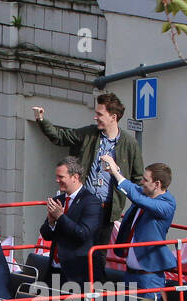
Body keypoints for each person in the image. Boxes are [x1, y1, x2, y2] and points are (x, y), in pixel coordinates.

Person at [31, 95, 144, 238]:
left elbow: (137, 179)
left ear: (113, 117)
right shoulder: (89, 134)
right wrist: (41, 120)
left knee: (98, 254)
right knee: (75, 243)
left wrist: (144, 206)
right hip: (83, 203)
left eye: (99, 114)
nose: (95, 117)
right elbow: (61, 137)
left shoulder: (130, 144)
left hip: (107, 210)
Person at [100, 154, 176, 301]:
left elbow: (136, 197)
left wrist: (116, 172)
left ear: (157, 184)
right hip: (131, 273)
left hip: (149, 276)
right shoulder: (145, 193)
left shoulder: (167, 204)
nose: (142, 182)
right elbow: (130, 188)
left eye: (146, 180)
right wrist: (114, 171)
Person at [37, 157, 103, 295]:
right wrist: (51, 222)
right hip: (55, 269)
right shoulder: (58, 200)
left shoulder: (91, 202)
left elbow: (82, 234)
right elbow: (46, 235)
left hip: (77, 273)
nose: (57, 180)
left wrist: (60, 216)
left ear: (75, 177)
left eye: (61, 177)